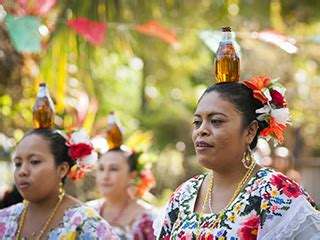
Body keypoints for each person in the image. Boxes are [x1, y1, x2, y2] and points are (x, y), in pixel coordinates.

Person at [153, 76, 320, 239]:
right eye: (197, 122)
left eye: (216, 121)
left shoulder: (275, 192)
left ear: (250, 131)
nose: (201, 131)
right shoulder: (184, 195)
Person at [0, 128, 119, 239]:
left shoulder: (85, 223)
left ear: (62, 169)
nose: (22, 171)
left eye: (34, 162)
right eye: (18, 164)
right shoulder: (4, 218)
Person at [86, 148, 156, 239]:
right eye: (101, 169)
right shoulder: (86, 212)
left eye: (113, 169)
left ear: (132, 175)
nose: (105, 176)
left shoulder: (149, 219)